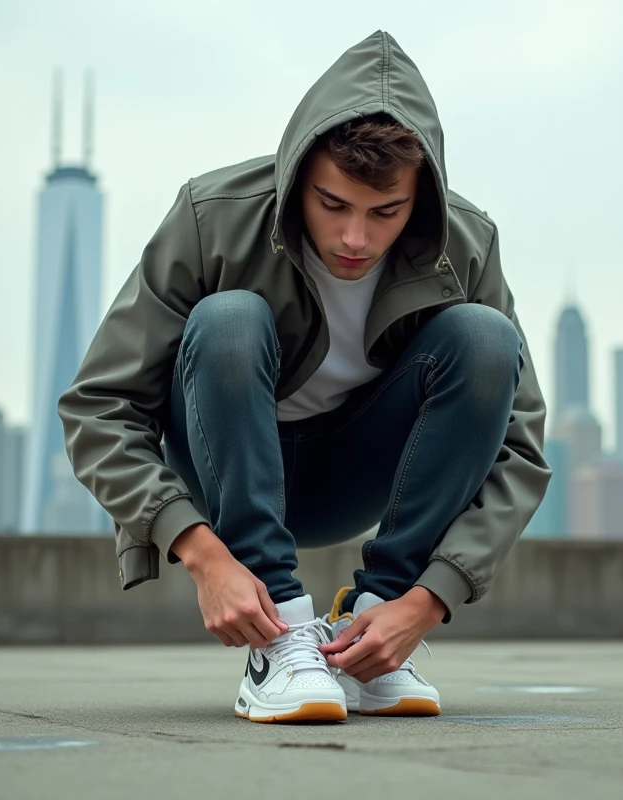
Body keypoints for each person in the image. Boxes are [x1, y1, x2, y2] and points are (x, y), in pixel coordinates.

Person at [58, 30, 550, 724]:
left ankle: (374, 641)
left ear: (422, 196)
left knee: (486, 337)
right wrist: (200, 551)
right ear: (298, 173)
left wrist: (426, 599)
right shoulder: (213, 216)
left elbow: (521, 445)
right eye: (332, 204)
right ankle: (282, 641)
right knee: (228, 319)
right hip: (222, 466)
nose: (356, 238)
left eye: (386, 213)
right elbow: (99, 405)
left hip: (359, 476)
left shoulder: (465, 244)